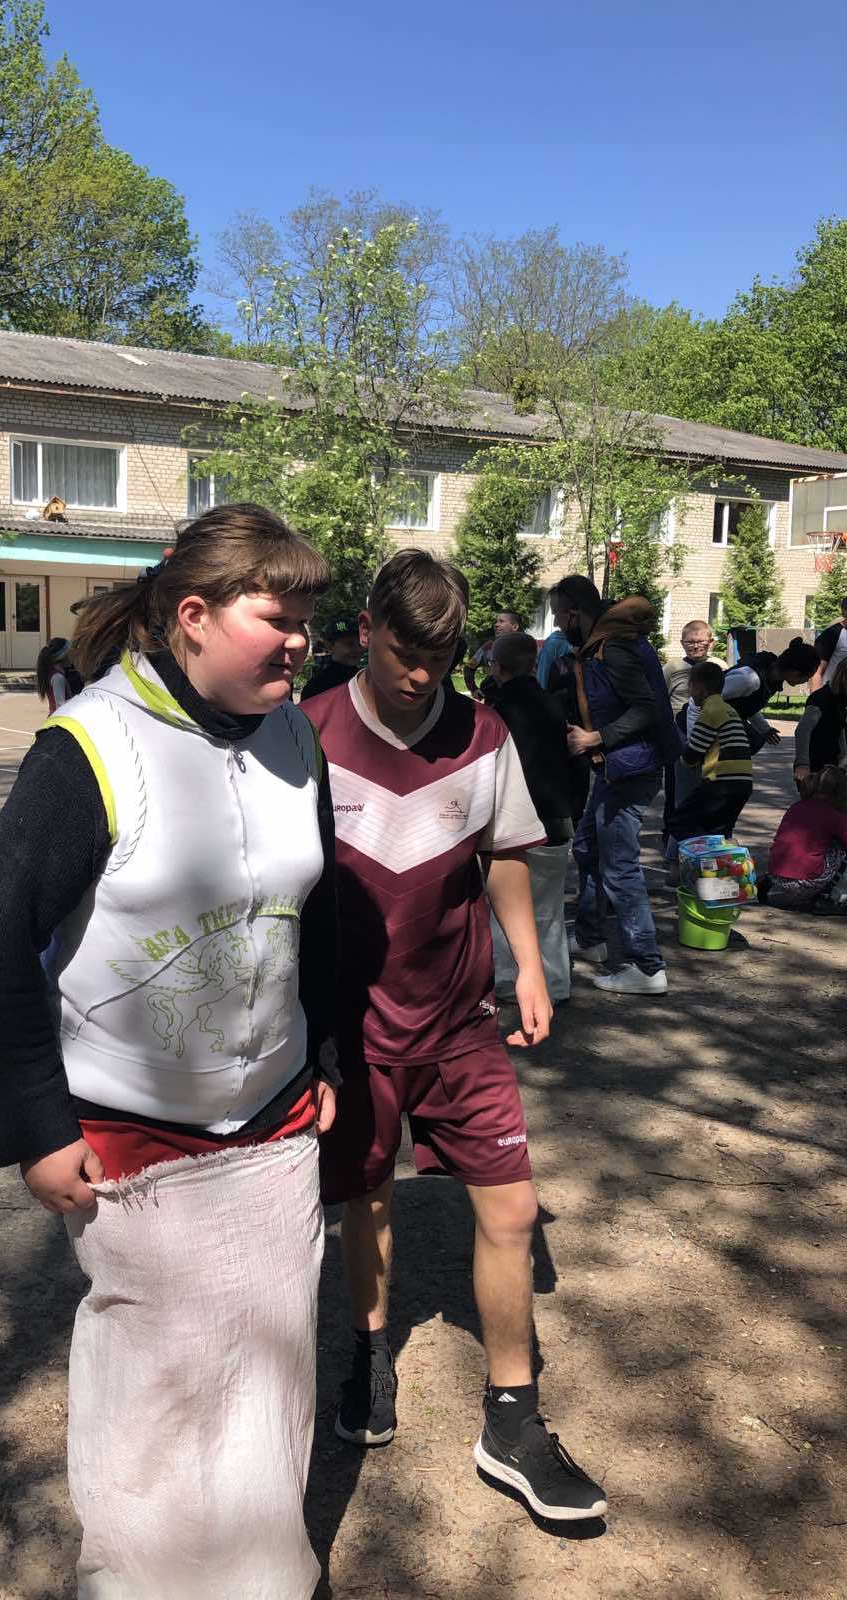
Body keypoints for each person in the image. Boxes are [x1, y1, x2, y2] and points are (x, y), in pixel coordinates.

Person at [0, 504, 339, 1598]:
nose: (300, 642)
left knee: (268, 1367)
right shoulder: (89, 744)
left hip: (273, 1117)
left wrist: (325, 1054)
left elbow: (316, 912)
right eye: (278, 618)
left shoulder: (296, 735)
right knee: (160, 1386)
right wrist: (35, 1130)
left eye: (307, 620)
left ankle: (260, 1576)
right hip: (132, 1134)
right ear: (194, 615)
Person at [305, 550, 606, 1525]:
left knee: (513, 1210)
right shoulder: (308, 731)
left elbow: (504, 856)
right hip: (352, 1030)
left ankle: (512, 1419)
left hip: (462, 1023)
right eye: (405, 653)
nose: (420, 674)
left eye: (440, 657)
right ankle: (369, 1354)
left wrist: (530, 963)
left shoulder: (483, 734)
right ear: (365, 629)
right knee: (368, 1199)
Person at [556, 576, 681, 997]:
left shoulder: (614, 648)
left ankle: (647, 966)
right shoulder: (605, 643)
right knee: (587, 846)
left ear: (575, 613)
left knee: (619, 867)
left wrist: (596, 738)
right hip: (618, 769)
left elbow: (646, 708)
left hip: (631, 770)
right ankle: (590, 938)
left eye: (558, 615)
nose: (557, 625)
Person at [487, 630, 576, 1003]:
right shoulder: (555, 706)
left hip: (513, 822)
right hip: (556, 817)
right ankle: (555, 982)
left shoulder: (497, 712)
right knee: (549, 908)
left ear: (497, 667)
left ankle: (508, 978)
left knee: (505, 906)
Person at [664, 662, 753, 846]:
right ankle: (725, 857)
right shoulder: (729, 710)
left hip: (720, 783)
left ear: (700, 688)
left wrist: (679, 757)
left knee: (679, 822)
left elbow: (693, 754)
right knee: (718, 830)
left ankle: (694, 858)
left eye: (690, 686)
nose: (689, 692)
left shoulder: (710, 711)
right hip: (742, 784)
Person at [760, 765, 847, 912]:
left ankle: (772, 883)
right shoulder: (834, 814)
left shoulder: (796, 806)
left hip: (776, 877)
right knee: (840, 851)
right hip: (805, 883)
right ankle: (825, 896)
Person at [722, 639, 821, 752]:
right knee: (747, 741)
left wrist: (765, 729)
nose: (806, 681)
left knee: (754, 740)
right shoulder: (749, 679)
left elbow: (746, 706)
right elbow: (708, 696)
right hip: (711, 724)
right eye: (807, 678)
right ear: (796, 673)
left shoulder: (771, 680)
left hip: (722, 721)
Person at [794, 659, 847, 784]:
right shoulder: (820, 699)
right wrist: (803, 764)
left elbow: (841, 733)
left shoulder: (840, 700)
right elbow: (803, 730)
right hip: (815, 769)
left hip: (835, 768)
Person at [661, 620, 725, 715]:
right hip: (677, 721)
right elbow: (660, 696)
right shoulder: (672, 668)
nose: (695, 646)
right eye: (690, 642)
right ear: (682, 643)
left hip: (711, 719)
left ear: (711, 643)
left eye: (701, 642)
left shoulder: (720, 666)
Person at [463, 609, 522, 701]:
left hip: (520, 701)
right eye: (496, 621)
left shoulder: (526, 647)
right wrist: (473, 689)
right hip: (493, 702)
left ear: (514, 627)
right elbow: (468, 668)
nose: (496, 625)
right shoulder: (488, 647)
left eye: (501, 621)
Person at [300, 616, 362, 700]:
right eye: (349, 644)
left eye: (360, 643)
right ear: (329, 646)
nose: (357, 649)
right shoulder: (317, 686)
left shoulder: (365, 679)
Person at [535, 589, 573, 691]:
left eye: (556, 614)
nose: (555, 623)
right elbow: (542, 686)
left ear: (572, 614)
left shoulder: (553, 645)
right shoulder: (553, 645)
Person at [811, 594, 847, 692]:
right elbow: (817, 672)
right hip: (833, 694)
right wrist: (815, 698)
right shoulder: (831, 634)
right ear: (844, 610)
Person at [35, 637, 81, 712]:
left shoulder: (53, 673)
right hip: (59, 716)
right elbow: (60, 705)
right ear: (63, 656)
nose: (72, 656)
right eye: (70, 652)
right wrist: (79, 699)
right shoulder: (58, 678)